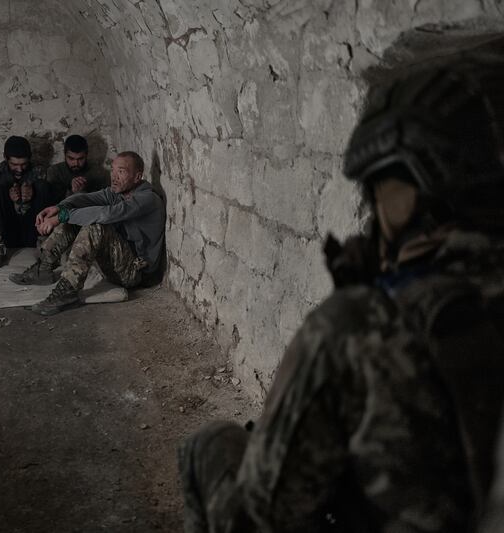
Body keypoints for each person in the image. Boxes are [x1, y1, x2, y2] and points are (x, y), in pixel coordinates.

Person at [178, 61, 504, 532]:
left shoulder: (360, 324)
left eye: (379, 192)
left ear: (409, 192)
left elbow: (260, 514)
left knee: (212, 443)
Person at [9, 151, 165, 316]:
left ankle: (68, 292)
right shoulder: (119, 192)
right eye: (113, 170)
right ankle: (43, 268)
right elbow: (86, 198)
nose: (114, 176)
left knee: (95, 226)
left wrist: (62, 217)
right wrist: (59, 208)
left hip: (135, 273)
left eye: (121, 171)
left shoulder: (148, 199)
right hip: (117, 264)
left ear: (137, 176)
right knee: (76, 218)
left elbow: (108, 214)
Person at [0, 136, 52, 268]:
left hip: (34, 229)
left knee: (43, 186)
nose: (20, 169)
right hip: (8, 231)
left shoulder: (39, 172)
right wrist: (12, 202)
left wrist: (30, 199)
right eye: (14, 165)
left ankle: (44, 245)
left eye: (24, 164)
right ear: (5, 158)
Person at [45, 134, 108, 202]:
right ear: (65, 155)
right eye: (71, 158)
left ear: (86, 155)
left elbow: (105, 200)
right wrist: (72, 192)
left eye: (80, 159)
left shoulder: (98, 172)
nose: (76, 163)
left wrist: (83, 192)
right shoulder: (55, 172)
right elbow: (53, 204)